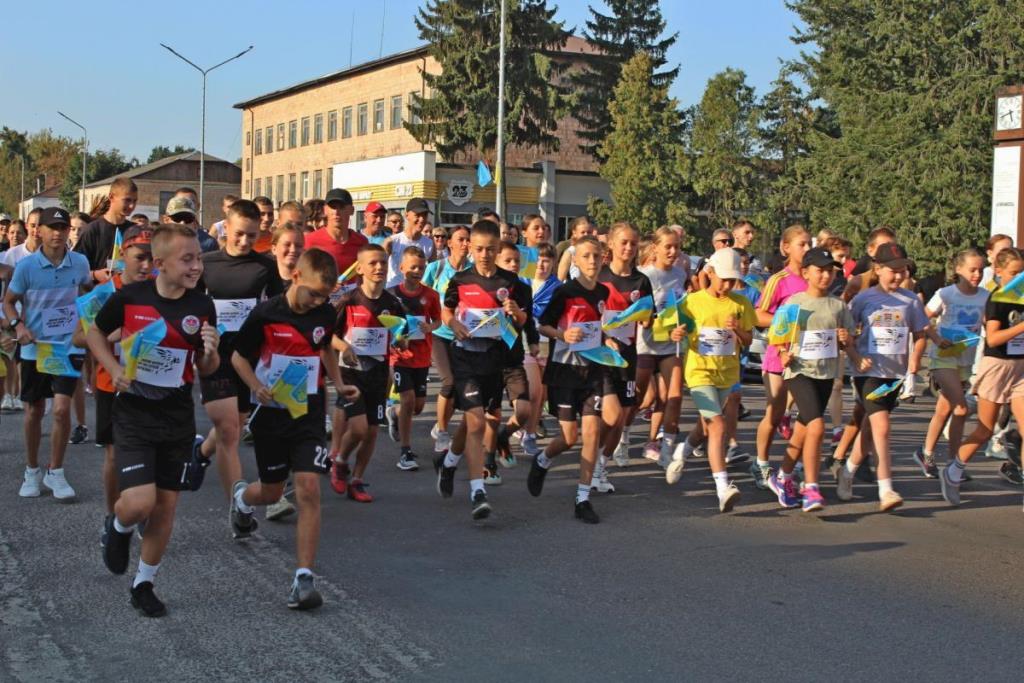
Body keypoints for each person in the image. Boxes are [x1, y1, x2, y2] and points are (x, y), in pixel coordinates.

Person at [88, 223, 219, 618]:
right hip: (134, 412)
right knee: (139, 502)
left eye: (198, 259)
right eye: (187, 259)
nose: (196, 266)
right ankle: (119, 527)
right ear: (160, 263)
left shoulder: (202, 305)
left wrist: (210, 353)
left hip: (177, 416)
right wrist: (113, 367)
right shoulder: (130, 297)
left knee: (164, 507)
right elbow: (95, 334)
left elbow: (206, 368)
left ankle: (143, 583)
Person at [230, 248, 359, 609]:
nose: (318, 302)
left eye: (324, 296)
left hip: (308, 412)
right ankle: (242, 500)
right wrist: (256, 386)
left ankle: (303, 579)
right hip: (271, 413)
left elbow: (325, 348)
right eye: (313, 293)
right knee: (271, 492)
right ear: (296, 276)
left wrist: (338, 383)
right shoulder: (266, 313)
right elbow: (238, 357)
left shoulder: (324, 313)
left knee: (308, 489)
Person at [196, 199, 283, 537]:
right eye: (239, 234)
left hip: (248, 358)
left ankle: (200, 452)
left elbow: (276, 309)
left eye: (252, 235)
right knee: (230, 429)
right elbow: (191, 305)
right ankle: (239, 505)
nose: (245, 241)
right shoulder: (206, 263)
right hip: (215, 357)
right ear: (225, 228)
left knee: (237, 422)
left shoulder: (265, 266)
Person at [434, 220, 529, 520]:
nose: (485, 255)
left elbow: (523, 321)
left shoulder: (511, 282)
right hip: (465, 358)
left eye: (490, 249)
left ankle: (449, 464)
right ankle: (478, 491)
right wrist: (453, 323)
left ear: (498, 248)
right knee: (475, 422)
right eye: (479, 249)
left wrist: (516, 313)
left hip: (495, 360)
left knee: (471, 422)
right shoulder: (460, 280)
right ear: (470, 248)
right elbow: (446, 310)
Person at [839, 243, 945, 511]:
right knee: (882, 426)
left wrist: (918, 359)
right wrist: (855, 356)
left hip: (894, 375)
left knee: (870, 428)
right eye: (892, 270)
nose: (898, 276)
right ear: (878, 269)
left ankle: (847, 471)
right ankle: (886, 489)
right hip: (868, 373)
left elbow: (920, 332)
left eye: (902, 271)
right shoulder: (863, 299)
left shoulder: (910, 300)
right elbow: (846, 335)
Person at [767, 248, 865, 512]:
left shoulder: (838, 305)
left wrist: (847, 341)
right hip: (799, 372)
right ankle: (811, 488)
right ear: (806, 272)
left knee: (802, 429)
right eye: (820, 270)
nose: (825, 275)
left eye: (830, 271)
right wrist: (783, 353)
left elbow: (849, 340)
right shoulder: (794, 303)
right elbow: (777, 336)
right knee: (818, 427)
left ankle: (783, 476)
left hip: (826, 374)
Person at [4, 207, 91, 500]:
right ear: (39, 231)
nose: (57, 233)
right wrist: (18, 326)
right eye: (51, 227)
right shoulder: (27, 267)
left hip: (67, 347)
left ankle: (56, 470)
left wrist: (86, 320)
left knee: (62, 410)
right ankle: (32, 470)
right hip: (35, 349)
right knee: (34, 411)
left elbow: (88, 292)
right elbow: (9, 301)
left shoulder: (79, 262)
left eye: (63, 227)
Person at [72, 225, 154, 518]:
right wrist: (111, 335)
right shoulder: (103, 293)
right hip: (112, 383)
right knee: (114, 455)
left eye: (152, 258)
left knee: (151, 454)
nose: (147, 265)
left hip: (153, 382)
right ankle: (112, 516)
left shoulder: (161, 289)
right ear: (124, 255)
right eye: (140, 257)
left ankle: (142, 512)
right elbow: (78, 338)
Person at [664, 248, 755, 513]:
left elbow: (749, 339)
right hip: (699, 371)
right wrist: (675, 334)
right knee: (717, 425)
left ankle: (683, 451)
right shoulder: (692, 301)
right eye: (724, 279)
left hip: (727, 372)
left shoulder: (741, 304)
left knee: (706, 425)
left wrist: (737, 330)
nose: (727, 285)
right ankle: (723, 488)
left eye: (732, 280)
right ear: (710, 273)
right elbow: (672, 329)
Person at [529, 236, 608, 523]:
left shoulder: (603, 292)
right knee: (569, 437)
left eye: (596, 256)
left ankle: (582, 499)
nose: (592, 261)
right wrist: (563, 335)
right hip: (565, 371)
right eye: (586, 256)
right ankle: (542, 460)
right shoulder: (565, 291)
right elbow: (543, 326)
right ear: (575, 260)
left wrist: (608, 339)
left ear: (603, 259)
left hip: (593, 371)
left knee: (592, 433)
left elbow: (603, 327)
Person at [940, 247, 1024, 506]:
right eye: (1014, 273)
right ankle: (953, 471)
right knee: (985, 430)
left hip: (1021, 368)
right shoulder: (997, 299)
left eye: (1022, 273)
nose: (1019, 278)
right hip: (997, 366)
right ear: (998, 271)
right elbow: (994, 338)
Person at [331, 243, 406, 502]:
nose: (379, 267)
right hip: (350, 372)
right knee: (359, 428)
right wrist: (344, 347)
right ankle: (340, 460)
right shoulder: (348, 299)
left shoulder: (392, 303)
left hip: (378, 372)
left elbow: (401, 335)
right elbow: (328, 335)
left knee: (372, 431)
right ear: (360, 269)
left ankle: (357, 480)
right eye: (372, 263)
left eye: (383, 262)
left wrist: (401, 342)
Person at [912, 249, 987, 478]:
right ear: (958, 270)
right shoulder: (946, 293)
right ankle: (954, 465)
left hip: (965, 358)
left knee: (944, 409)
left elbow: (988, 323)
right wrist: (936, 339)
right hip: (943, 357)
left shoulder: (985, 296)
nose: (977, 275)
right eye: (972, 270)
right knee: (961, 408)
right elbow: (922, 317)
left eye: (981, 270)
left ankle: (926, 453)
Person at [752, 225, 811, 490]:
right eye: (802, 244)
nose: (807, 249)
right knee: (775, 413)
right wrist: (787, 318)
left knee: (808, 415)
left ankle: (794, 466)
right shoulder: (779, 280)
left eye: (809, 244)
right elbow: (758, 315)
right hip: (778, 355)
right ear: (786, 248)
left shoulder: (814, 278)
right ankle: (761, 463)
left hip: (806, 357)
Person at [598, 223, 653, 482]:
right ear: (611, 243)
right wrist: (604, 335)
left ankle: (601, 465)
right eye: (624, 242)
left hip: (627, 357)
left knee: (620, 419)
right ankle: (591, 459)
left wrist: (646, 318)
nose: (629, 248)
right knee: (612, 415)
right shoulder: (599, 276)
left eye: (633, 243)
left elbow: (648, 320)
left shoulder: (641, 281)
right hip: (600, 356)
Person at [634, 226, 688, 466]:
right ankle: (621, 434)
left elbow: (681, 307)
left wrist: (683, 325)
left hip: (671, 345)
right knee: (641, 399)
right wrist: (654, 322)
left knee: (672, 396)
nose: (673, 251)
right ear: (655, 248)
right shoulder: (643, 276)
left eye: (677, 247)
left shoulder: (680, 274)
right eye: (668, 247)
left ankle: (661, 447)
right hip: (645, 345)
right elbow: (639, 315)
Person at [385, 247, 441, 471]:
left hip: (422, 356)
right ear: (401, 268)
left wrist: (430, 327)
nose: (417, 271)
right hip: (399, 357)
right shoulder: (391, 295)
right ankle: (405, 451)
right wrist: (395, 337)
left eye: (421, 267)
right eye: (413, 267)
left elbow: (438, 320)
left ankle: (395, 413)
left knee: (417, 407)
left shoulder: (431, 295)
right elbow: (384, 322)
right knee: (407, 400)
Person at [422, 225, 471, 453]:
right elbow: (421, 296)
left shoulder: (473, 271)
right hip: (439, 334)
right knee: (448, 381)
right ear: (449, 243)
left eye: (468, 239)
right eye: (461, 239)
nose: (465, 244)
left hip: (464, 335)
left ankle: (439, 424)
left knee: (459, 388)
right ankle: (442, 432)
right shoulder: (436, 268)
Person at [75, 177, 138, 285]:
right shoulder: (93, 230)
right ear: (111, 197)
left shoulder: (135, 231)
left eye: (134, 201)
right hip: (98, 293)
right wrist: (95, 275)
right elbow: (74, 269)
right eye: (127, 200)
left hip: (127, 292)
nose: (131, 206)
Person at [304, 189, 367, 275]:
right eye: (333, 207)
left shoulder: (362, 242)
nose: (336, 212)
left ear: (352, 210)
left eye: (341, 207)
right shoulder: (310, 241)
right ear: (325, 210)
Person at [384, 198, 434, 287]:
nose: (422, 219)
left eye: (425, 215)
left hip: (417, 293)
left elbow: (433, 274)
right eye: (417, 215)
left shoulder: (430, 244)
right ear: (407, 215)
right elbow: (379, 268)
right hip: (394, 292)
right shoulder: (392, 241)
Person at [270, 222, 305, 289]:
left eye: (298, 246)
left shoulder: (310, 283)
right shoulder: (262, 279)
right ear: (274, 249)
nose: (293, 250)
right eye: (287, 245)